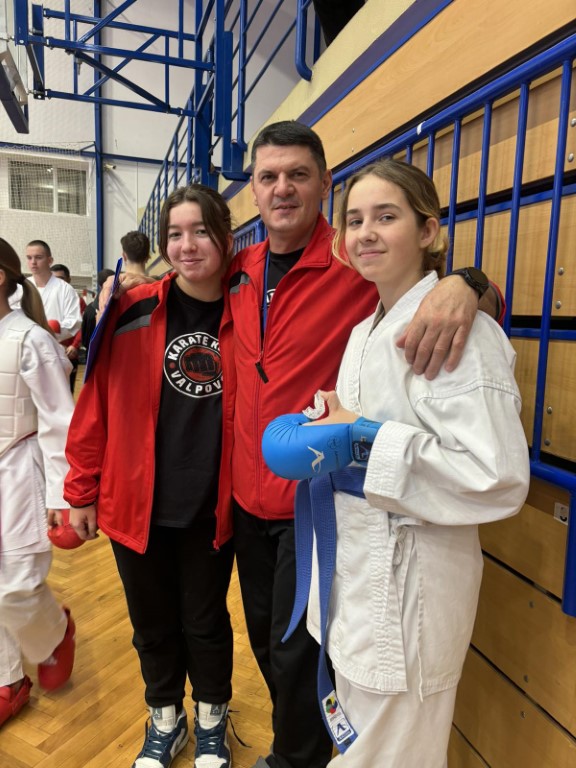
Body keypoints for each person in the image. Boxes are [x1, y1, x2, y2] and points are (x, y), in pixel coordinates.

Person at [214, 121, 503, 768]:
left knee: (300, 655)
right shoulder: (240, 269)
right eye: (268, 176)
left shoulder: (353, 260)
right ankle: (304, 751)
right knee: (273, 645)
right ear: (252, 190)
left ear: (323, 182)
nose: (282, 188)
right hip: (251, 497)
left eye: (298, 175)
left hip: (317, 505)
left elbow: (467, 305)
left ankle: (294, 759)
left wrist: (468, 281)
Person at [64, 185, 235, 768]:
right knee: (152, 622)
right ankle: (166, 716)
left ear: (225, 235)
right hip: (135, 501)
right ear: (164, 245)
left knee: (206, 621)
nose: (188, 245)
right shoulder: (133, 311)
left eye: (201, 231)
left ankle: (212, 718)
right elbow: (95, 404)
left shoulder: (249, 311)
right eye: (176, 234)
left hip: (213, 504)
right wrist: (80, 490)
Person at [0, 238, 77, 728]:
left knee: (16, 588)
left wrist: (61, 493)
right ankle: (8, 680)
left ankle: (55, 634)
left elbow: (60, 421)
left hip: (19, 471)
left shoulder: (30, 339)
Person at [50, 262, 85, 392]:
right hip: (48, 354)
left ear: (69, 280)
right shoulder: (44, 299)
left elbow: (82, 326)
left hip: (68, 354)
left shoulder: (78, 301)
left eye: (61, 279)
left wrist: (75, 345)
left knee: (66, 392)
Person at [81, 267, 115, 351]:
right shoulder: (119, 306)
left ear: (99, 286)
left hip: (92, 353)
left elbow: (85, 340)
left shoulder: (89, 310)